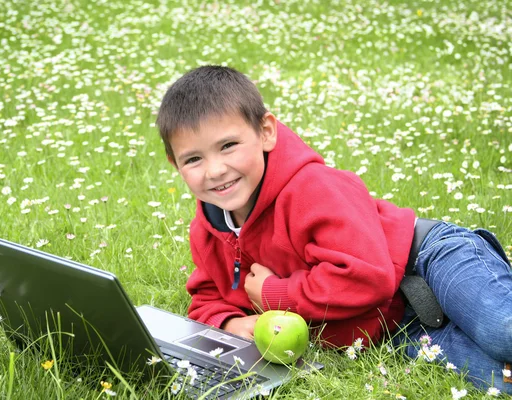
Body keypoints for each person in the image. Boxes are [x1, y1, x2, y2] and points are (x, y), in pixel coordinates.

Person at [155, 65, 512, 393]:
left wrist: (273, 295)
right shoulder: (209, 231)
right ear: (175, 163)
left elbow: (368, 278)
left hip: (426, 260)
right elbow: (205, 298)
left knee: (501, 331)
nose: (215, 170)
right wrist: (231, 322)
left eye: (228, 146)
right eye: (194, 159)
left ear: (265, 132)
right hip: (394, 327)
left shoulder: (313, 187)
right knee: (498, 378)